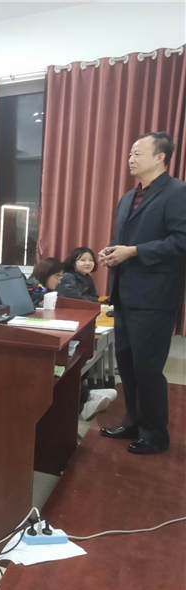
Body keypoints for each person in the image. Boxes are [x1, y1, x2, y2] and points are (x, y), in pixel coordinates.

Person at [98, 132, 186, 455]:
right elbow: (123, 241)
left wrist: (134, 251)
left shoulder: (177, 193)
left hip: (154, 299)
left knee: (148, 369)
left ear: (161, 157)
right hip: (123, 296)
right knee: (127, 365)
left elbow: (181, 241)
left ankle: (156, 434)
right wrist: (111, 251)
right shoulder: (127, 198)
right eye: (130, 153)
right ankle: (133, 422)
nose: (131, 158)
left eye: (138, 153)